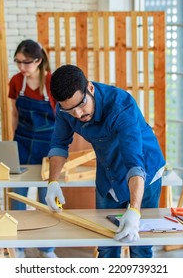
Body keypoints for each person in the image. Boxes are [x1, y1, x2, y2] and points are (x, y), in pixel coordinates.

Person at [45, 64, 166, 258]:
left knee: (139, 243)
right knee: (106, 243)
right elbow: (59, 143)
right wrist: (52, 182)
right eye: (70, 111)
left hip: (145, 172)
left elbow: (134, 164)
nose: (78, 115)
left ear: (90, 88)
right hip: (108, 172)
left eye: (81, 105)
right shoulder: (64, 108)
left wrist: (134, 210)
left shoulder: (121, 107)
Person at [8, 39, 57, 258]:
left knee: (47, 198)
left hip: (48, 146)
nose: (21, 67)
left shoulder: (51, 81)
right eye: (17, 62)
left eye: (26, 63)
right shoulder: (16, 82)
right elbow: (14, 114)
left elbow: (63, 118)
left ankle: (46, 249)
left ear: (38, 61)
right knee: (18, 196)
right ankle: (17, 246)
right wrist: (13, 143)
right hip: (23, 144)